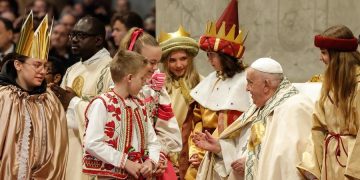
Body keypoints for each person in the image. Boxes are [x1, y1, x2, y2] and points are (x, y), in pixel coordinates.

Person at [193, 58, 314, 180]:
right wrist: (221, 149)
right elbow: (245, 148)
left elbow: (288, 161)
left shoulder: (295, 107)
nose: (247, 88)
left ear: (266, 85)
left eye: (250, 82)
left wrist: (251, 164)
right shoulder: (259, 108)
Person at [185, 0, 251, 178]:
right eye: (207, 55)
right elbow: (197, 120)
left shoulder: (244, 83)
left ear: (225, 56)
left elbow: (243, 128)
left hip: (227, 155)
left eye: (212, 55)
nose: (208, 60)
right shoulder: (211, 80)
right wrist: (196, 150)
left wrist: (216, 147)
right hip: (203, 153)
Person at [0, 12, 68, 179]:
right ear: (18, 65)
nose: (43, 71)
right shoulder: (3, 97)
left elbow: (58, 150)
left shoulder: (50, 100)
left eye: (45, 66)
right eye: (37, 65)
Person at [50, 15, 113, 180]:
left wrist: (73, 102)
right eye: (72, 35)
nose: (74, 40)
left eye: (81, 36)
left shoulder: (110, 69)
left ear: (98, 40)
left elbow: (113, 115)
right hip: (69, 147)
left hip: (91, 153)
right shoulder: (72, 69)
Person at [83, 49, 160, 179]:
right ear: (129, 78)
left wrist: (150, 161)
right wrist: (125, 162)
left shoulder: (139, 105)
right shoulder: (102, 103)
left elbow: (153, 142)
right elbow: (92, 143)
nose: (145, 82)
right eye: (142, 78)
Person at [298, 25, 360, 180]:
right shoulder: (329, 86)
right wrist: (313, 166)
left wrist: (354, 172)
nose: (321, 58)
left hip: (351, 159)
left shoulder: (358, 86)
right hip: (330, 158)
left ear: (338, 55)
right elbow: (317, 127)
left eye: (324, 52)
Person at [120, 28, 182, 179]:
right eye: (151, 62)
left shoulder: (156, 90)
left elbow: (168, 131)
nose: (155, 68)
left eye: (157, 63)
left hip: (153, 164)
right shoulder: (118, 86)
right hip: (124, 163)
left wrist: (157, 157)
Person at [158, 25, 201, 179]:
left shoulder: (202, 84)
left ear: (190, 58)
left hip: (193, 151)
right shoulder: (159, 86)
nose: (179, 65)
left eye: (183, 59)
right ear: (165, 63)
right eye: (172, 60)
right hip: (166, 152)